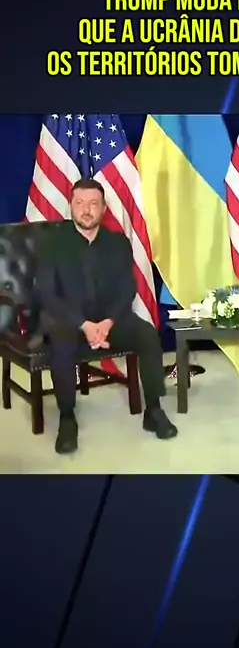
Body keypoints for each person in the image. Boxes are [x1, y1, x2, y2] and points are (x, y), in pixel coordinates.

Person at [37, 177, 178, 454]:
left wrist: (107, 322)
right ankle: (67, 418)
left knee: (147, 334)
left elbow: (127, 288)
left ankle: (154, 410)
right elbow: (46, 292)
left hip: (108, 320)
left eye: (93, 204)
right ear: (71, 206)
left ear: (103, 209)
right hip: (69, 321)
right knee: (61, 343)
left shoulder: (118, 243)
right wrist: (84, 324)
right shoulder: (52, 243)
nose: (86, 209)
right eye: (80, 203)